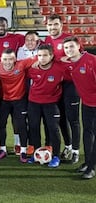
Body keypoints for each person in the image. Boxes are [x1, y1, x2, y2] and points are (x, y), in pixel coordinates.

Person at [45, 14, 81, 163]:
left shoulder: (70, 39)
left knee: (73, 119)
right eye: (49, 25)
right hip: (55, 85)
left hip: (71, 84)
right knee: (60, 119)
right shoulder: (47, 40)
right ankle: (68, 145)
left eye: (55, 24)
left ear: (61, 25)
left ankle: (76, 151)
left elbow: (82, 55)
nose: (52, 27)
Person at [0, 49, 34, 163]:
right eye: (5, 59)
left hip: (20, 100)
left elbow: (41, 57)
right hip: (3, 100)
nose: (8, 62)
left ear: (15, 59)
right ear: (0, 60)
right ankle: (2, 149)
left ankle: (23, 150)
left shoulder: (21, 64)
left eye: (10, 59)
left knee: (21, 125)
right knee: (1, 124)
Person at [27, 44, 67, 168]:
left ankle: (56, 156)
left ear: (51, 56)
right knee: (33, 128)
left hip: (51, 103)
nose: (42, 58)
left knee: (53, 129)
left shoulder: (60, 69)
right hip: (33, 102)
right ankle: (37, 153)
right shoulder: (32, 68)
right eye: (39, 55)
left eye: (45, 55)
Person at [62, 36, 96, 179]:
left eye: (71, 46)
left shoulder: (92, 61)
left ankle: (92, 167)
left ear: (79, 46)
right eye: (66, 48)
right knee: (87, 134)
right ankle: (88, 162)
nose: (69, 50)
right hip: (87, 104)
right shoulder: (69, 63)